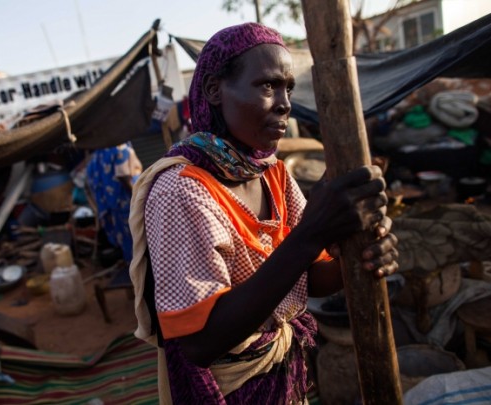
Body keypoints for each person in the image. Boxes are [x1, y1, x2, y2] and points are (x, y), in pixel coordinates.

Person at [128, 22, 399, 404]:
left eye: (288, 86)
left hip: (283, 375)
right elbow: (200, 344)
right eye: (267, 85)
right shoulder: (181, 190)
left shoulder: (274, 173)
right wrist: (311, 233)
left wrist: (358, 256)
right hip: (232, 389)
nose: (285, 102)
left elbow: (312, 278)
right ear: (214, 90)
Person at [86, 142, 142, 263]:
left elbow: (91, 183)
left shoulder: (98, 155)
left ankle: (134, 270)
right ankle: (143, 273)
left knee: (128, 242)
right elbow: (124, 176)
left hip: (114, 206)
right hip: (128, 204)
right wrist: (138, 199)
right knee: (138, 240)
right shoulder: (120, 149)